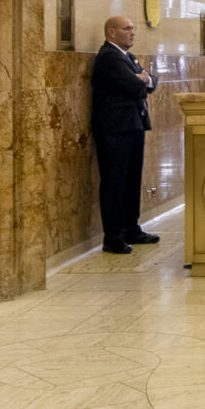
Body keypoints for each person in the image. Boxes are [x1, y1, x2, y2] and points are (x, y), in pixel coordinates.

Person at [89, 13, 157, 253]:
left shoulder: (126, 57)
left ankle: (131, 227)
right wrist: (141, 81)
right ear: (111, 33)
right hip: (115, 129)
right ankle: (113, 236)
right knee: (115, 182)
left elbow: (151, 81)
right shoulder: (109, 57)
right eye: (127, 28)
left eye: (133, 28)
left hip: (132, 126)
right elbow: (133, 86)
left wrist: (144, 80)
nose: (132, 32)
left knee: (131, 180)